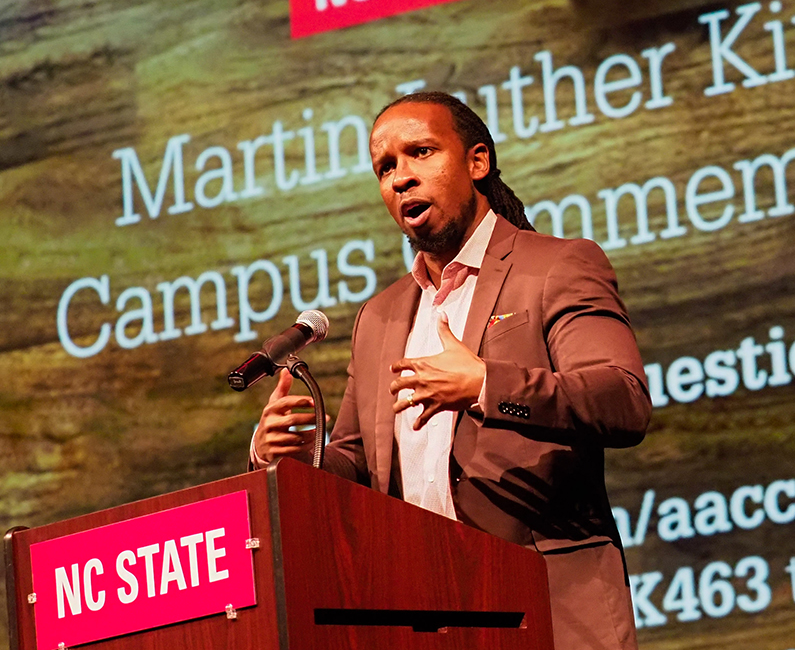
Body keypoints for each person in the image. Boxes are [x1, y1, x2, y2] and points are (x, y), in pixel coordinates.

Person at [252, 91, 651, 650]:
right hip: (421, 615)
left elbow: (622, 399)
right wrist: (301, 460)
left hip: (550, 603)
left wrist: (486, 384)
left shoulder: (556, 265)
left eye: (421, 153)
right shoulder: (381, 315)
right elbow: (359, 463)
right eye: (385, 167)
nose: (401, 178)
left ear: (477, 162)